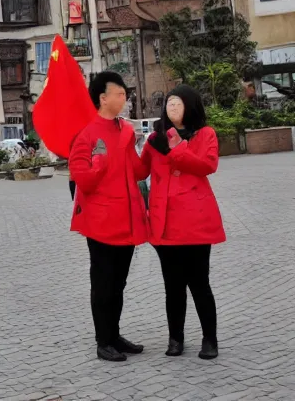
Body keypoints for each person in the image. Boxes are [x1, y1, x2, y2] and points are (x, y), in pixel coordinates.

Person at [69, 71, 149, 362]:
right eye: (119, 93)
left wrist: (148, 148)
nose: (124, 98)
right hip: (101, 224)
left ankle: (114, 335)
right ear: (103, 98)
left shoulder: (126, 131)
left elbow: (139, 171)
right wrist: (99, 165)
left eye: (124, 93)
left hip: (127, 219)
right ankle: (103, 341)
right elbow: (82, 180)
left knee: (119, 283)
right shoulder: (87, 134)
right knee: (103, 284)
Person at [141, 85, 225, 360]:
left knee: (200, 282)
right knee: (172, 286)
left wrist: (177, 147)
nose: (172, 109)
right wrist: (119, 148)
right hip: (164, 220)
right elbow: (139, 171)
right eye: (169, 104)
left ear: (190, 106)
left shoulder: (205, 134)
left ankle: (209, 339)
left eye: (177, 104)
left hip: (195, 220)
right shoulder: (155, 139)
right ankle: (175, 338)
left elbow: (207, 165)